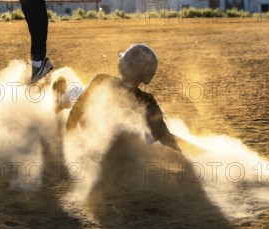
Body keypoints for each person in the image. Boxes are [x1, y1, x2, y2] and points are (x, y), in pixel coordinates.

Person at [55, 44, 194, 152]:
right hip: (117, 146)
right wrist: (200, 153)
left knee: (75, 93)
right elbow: (166, 138)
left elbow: (75, 113)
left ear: (123, 65)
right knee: (152, 127)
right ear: (148, 76)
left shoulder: (102, 80)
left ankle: (57, 104)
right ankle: (58, 103)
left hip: (94, 139)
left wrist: (68, 147)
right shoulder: (147, 100)